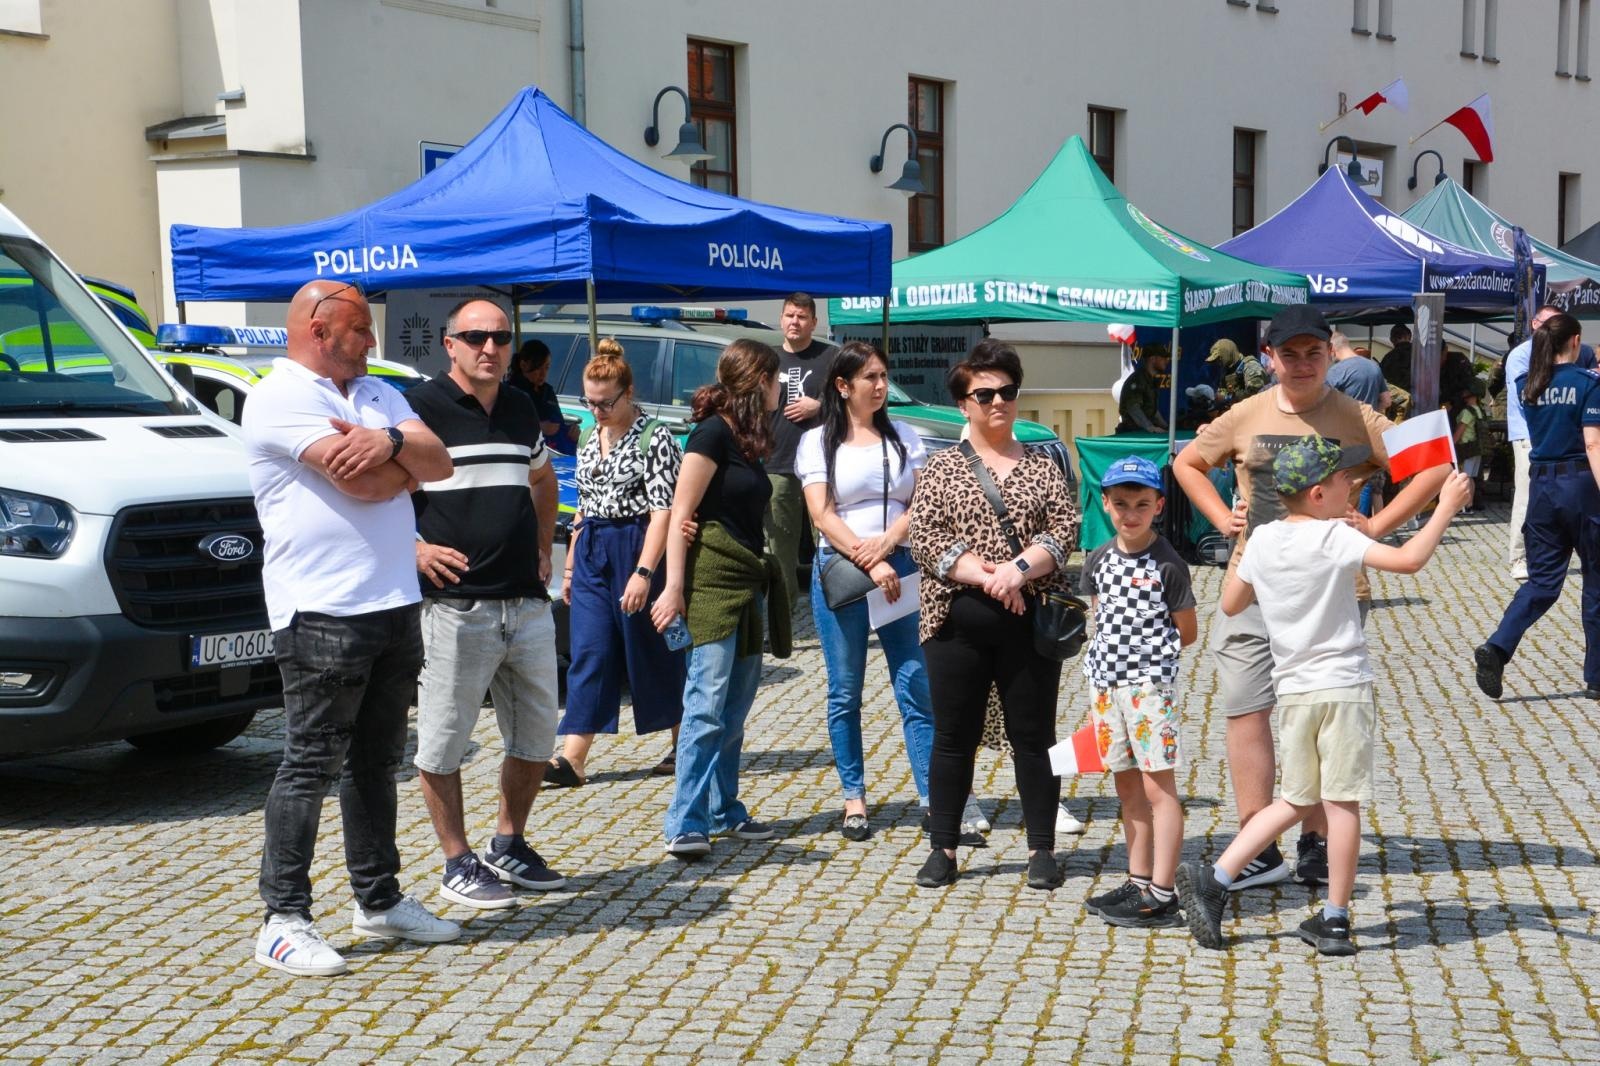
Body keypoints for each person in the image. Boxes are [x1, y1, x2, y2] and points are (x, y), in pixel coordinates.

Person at [1172, 304, 1449, 893]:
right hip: (1253, 586)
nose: (1301, 364)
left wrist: (1375, 527)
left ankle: (1318, 844)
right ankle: (1258, 846)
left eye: (1313, 352)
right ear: (1269, 358)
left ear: (1330, 353)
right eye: (1289, 354)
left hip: (1331, 592)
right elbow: (1187, 462)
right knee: (1247, 711)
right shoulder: (1245, 414)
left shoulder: (1356, 415)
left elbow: (1432, 467)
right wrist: (1224, 518)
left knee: (1322, 720)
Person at [1179, 437, 1472, 956]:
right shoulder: (1336, 536)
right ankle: (1334, 919)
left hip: (1293, 691)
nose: (1354, 486)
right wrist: (1444, 506)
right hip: (1343, 688)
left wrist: (1253, 549)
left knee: (1296, 799)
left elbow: (1230, 604)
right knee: (1341, 804)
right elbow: (1407, 562)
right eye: (1345, 481)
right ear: (1318, 494)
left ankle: (1217, 879)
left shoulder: (1265, 540)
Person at [246, 280, 458, 977]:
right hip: (321, 611)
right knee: (309, 763)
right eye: (361, 329)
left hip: (393, 603)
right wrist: (404, 465)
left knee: (376, 763)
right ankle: (283, 919)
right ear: (318, 328)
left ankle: (379, 898)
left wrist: (390, 441)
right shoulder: (280, 395)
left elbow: (441, 462)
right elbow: (364, 486)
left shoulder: (377, 395)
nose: (373, 342)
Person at [409, 298, 565, 910]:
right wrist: (415, 548)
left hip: (525, 603)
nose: (489, 348)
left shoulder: (523, 406)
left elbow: (543, 479)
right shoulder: (421, 408)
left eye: (500, 337)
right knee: (443, 742)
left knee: (534, 737)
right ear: (449, 344)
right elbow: (380, 495)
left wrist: (546, 549)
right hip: (456, 606)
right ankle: (456, 860)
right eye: (474, 337)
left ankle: (509, 843)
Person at [909, 339, 1080, 891]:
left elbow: (1065, 529)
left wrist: (1019, 571)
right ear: (963, 403)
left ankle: (1041, 850)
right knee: (951, 737)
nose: (998, 402)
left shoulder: (1043, 465)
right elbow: (924, 537)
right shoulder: (939, 468)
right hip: (954, 622)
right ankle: (944, 847)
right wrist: (987, 575)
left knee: (1034, 737)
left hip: (1029, 625)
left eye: (1007, 391)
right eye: (984, 394)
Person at [651, 339, 791, 859]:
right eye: (777, 380)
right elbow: (678, 513)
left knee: (734, 709)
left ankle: (722, 807)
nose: (782, 389)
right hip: (712, 584)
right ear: (759, 382)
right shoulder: (710, 434)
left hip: (748, 580)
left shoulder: (748, 437)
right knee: (705, 707)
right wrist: (672, 588)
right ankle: (684, 821)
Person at [797, 341, 932, 841]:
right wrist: (869, 560)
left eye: (883, 376)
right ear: (842, 386)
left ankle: (932, 795)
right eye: (869, 378)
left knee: (916, 684)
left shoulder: (905, 436)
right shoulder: (817, 443)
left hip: (900, 566)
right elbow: (821, 514)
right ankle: (854, 796)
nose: (880, 386)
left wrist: (890, 543)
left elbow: (922, 502)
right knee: (845, 690)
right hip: (845, 570)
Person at [549, 338, 685, 787]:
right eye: (589, 403)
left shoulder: (655, 436)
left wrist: (645, 573)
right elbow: (584, 503)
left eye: (604, 403)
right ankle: (573, 756)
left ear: (628, 393)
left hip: (636, 543)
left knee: (651, 649)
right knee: (590, 649)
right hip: (591, 549)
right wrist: (570, 566)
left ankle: (684, 740)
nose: (596, 411)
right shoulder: (590, 433)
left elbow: (664, 509)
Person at [1079, 457, 1197, 929]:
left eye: (1142, 505)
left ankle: (1164, 893)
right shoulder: (1099, 559)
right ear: (1105, 504)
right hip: (1106, 685)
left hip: (1149, 688)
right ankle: (1138, 877)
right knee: (1126, 785)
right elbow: (1100, 616)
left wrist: (1147, 658)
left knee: (1158, 787)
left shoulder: (1168, 564)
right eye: (1122, 504)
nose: (1131, 514)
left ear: (1158, 506)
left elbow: (1185, 631)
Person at [1475, 313, 1600, 701]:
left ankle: (1497, 646)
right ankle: (1596, 677)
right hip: (1580, 484)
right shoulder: (1588, 385)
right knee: (1596, 582)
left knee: (1543, 583)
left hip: (1542, 485)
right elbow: (1594, 444)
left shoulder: (1528, 385)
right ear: (1576, 341)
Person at [1501, 305, 1600, 580]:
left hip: (1562, 435)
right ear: (1535, 324)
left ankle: (1561, 550)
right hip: (1529, 433)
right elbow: (1524, 398)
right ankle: (1519, 557)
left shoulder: (1580, 356)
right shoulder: (1521, 356)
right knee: (1526, 495)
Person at [764, 293, 838, 610]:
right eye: (790, 315)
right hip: (777, 465)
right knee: (778, 549)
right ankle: (783, 621)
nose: (795, 322)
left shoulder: (831, 358)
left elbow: (851, 403)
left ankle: (836, 609)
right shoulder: (767, 360)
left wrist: (819, 406)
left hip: (822, 466)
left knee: (830, 542)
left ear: (813, 322)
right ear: (781, 319)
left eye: (802, 316)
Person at [509, 338, 579, 455]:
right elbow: (508, 427)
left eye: (546, 367)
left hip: (556, 453)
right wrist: (539, 427)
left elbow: (558, 422)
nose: (543, 373)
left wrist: (571, 431)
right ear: (523, 365)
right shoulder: (511, 391)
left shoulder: (548, 390)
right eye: (538, 368)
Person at [1326, 331, 1389, 413]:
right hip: (1371, 423)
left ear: (1332, 349)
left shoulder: (1336, 371)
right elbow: (1386, 401)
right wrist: (1373, 415)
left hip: (1346, 423)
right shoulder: (1374, 366)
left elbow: (1324, 403)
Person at [1116, 343, 1170, 434]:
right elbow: (1133, 408)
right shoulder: (1137, 380)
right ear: (1152, 359)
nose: (1167, 361)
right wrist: (1150, 427)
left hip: (1142, 431)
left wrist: (1166, 427)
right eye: (1163, 358)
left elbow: (1152, 410)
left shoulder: (1151, 379)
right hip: (1131, 433)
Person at [1207, 338, 1267, 410]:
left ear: (1227, 353)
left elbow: (1256, 392)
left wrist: (1228, 398)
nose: (1218, 363)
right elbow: (1222, 390)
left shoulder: (1250, 366)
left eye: (1220, 358)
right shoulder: (1227, 370)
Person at [1454, 381, 1486, 511]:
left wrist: (1451, 444)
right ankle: (1469, 504)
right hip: (1476, 448)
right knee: (1471, 477)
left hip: (1466, 448)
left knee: (1463, 476)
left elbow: (1459, 432)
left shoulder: (1467, 412)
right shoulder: (1480, 410)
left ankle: (1465, 505)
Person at [1379, 324, 1412, 393]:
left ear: (1392, 339)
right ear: (1409, 336)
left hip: (1396, 398)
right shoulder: (1420, 355)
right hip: (1420, 397)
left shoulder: (1388, 358)